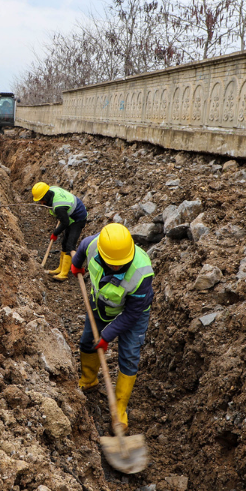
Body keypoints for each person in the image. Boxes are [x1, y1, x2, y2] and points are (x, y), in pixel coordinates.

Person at [70, 223, 154, 431]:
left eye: (121, 264)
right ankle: (89, 380)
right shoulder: (93, 245)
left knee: (129, 354)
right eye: (113, 264)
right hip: (101, 304)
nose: (118, 267)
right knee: (88, 340)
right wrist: (76, 264)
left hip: (134, 313)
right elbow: (81, 249)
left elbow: (132, 314)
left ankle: (120, 409)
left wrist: (107, 336)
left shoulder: (141, 272)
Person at [32, 182, 88, 281]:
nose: (41, 203)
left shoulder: (59, 206)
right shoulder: (51, 189)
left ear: (45, 196)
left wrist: (55, 233)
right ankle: (60, 268)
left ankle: (64, 273)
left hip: (78, 219)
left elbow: (65, 223)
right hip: (70, 217)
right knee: (64, 243)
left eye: (41, 200)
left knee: (70, 245)